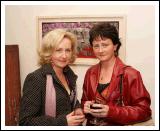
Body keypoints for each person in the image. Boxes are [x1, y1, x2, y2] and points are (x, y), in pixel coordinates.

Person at [81, 23, 152, 126]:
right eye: (96, 46)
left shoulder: (131, 74)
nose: (100, 50)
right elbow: (84, 100)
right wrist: (85, 106)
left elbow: (144, 111)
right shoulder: (90, 72)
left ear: (115, 46)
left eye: (105, 45)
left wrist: (111, 112)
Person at [19, 29, 85, 126]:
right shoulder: (36, 79)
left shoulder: (68, 75)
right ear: (48, 52)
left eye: (68, 50)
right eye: (58, 50)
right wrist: (63, 122)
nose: (64, 56)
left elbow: (68, 99)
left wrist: (77, 108)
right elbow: (25, 122)